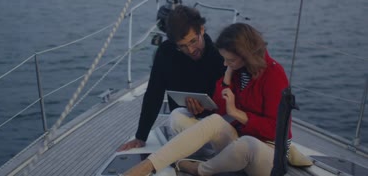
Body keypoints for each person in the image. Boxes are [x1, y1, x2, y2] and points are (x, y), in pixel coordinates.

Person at [122, 23, 291, 176]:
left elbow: (276, 131)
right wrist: (226, 80)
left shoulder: (274, 75)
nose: (225, 63)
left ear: (246, 55)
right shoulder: (237, 71)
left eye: (230, 60)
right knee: (184, 116)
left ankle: (200, 169)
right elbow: (220, 111)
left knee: (246, 144)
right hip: (238, 142)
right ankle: (148, 165)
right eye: (224, 58)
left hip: (268, 153)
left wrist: (236, 113)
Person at [117, 5, 226, 151]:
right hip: (183, 124)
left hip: (215, 124)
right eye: (182, 46)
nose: (191, 50)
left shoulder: (220, 55)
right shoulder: (166, 51)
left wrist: (206, 110)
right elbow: (154, 93)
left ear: (201, 29)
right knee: (176, 116)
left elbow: (232, 103)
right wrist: (141, 136)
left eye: (193, 41)